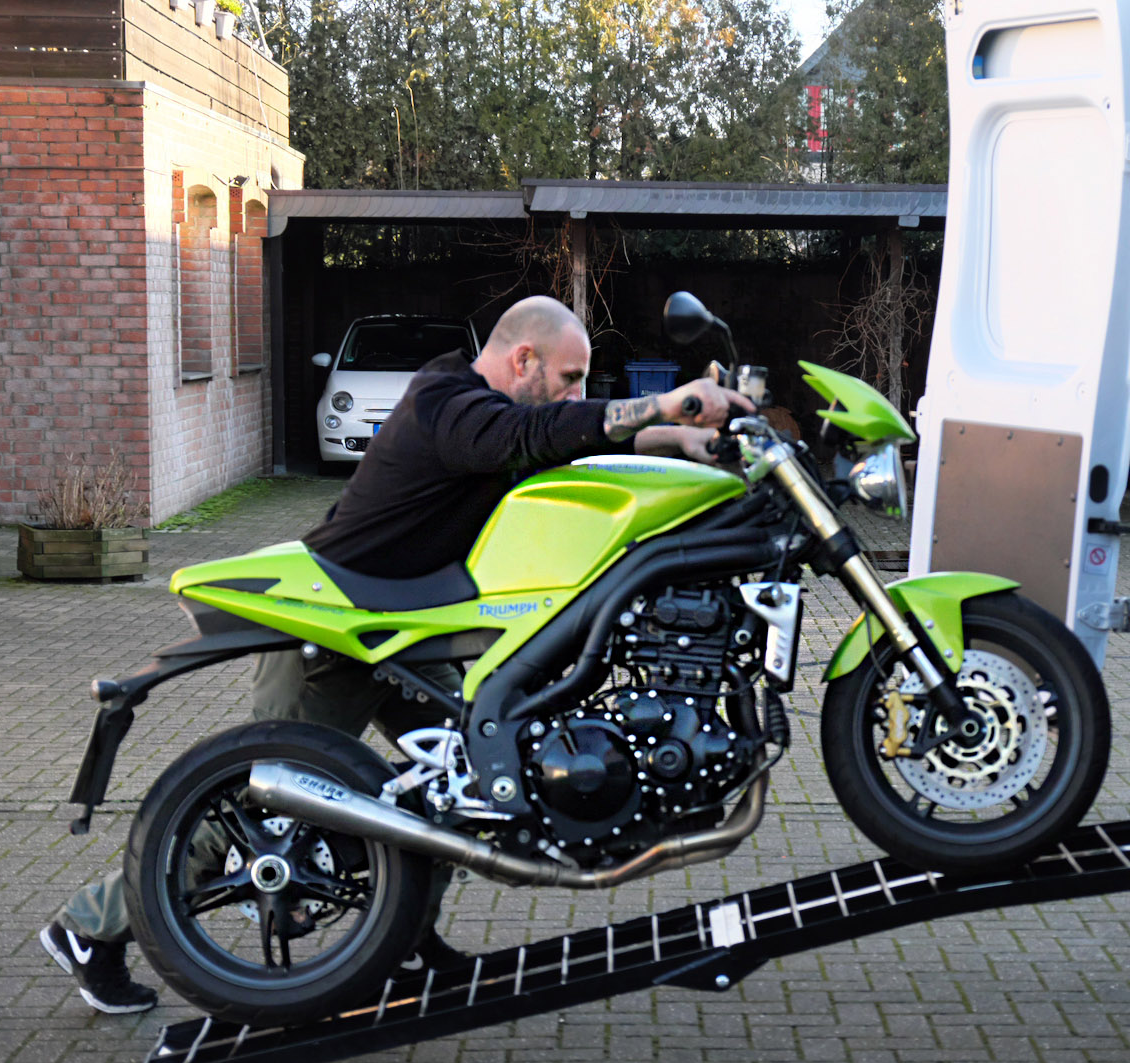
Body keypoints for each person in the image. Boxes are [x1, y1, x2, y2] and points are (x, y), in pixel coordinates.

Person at [42, 295, 753, 1012]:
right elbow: (528, 433)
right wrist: (664, 402)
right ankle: (91, 927)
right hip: (328, 636)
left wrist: (680, 440)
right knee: (251, 812)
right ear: (523, 359)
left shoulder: (483, 408)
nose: (575, 394)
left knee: (465, 779)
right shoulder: (445, 400)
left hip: (403, 632)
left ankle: (405, 939)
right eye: (569, 376)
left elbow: (561, 438)